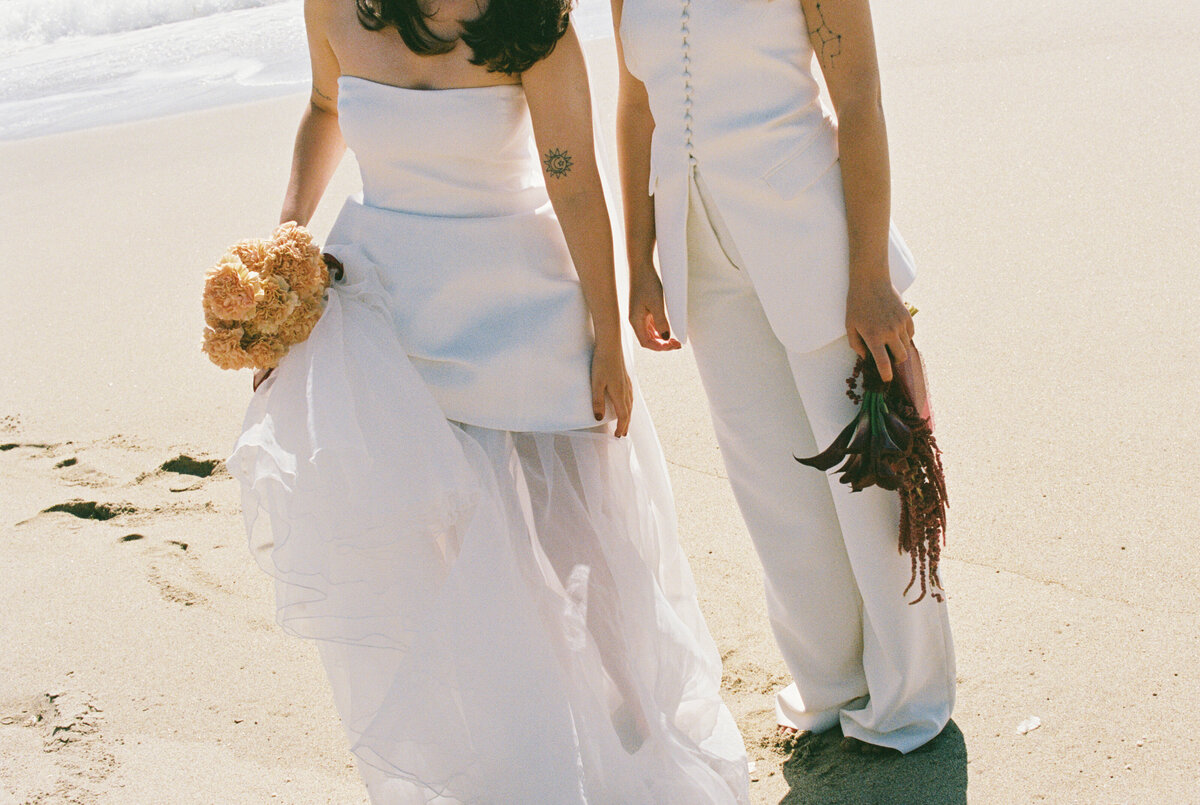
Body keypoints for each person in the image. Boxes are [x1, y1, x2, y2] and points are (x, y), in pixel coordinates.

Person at [226, 0, 750, 800]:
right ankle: (502, 752)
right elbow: (325, 107)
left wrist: (607, 335)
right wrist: (285, 244)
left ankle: (639, 719)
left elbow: (573, 180)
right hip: (390, 313)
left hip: (521, 305)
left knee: (578, 533)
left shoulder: (532, 19)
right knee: (448, 548)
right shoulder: (332, 7)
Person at [611, 0, 956, 752]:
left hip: (812, 231)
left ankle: (909, 692)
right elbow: (637, 105)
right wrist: (639, 262)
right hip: (698, 253)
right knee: (771, 486)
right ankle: (831, 680)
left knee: (870, 478)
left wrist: (870, 273)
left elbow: (858, 98)